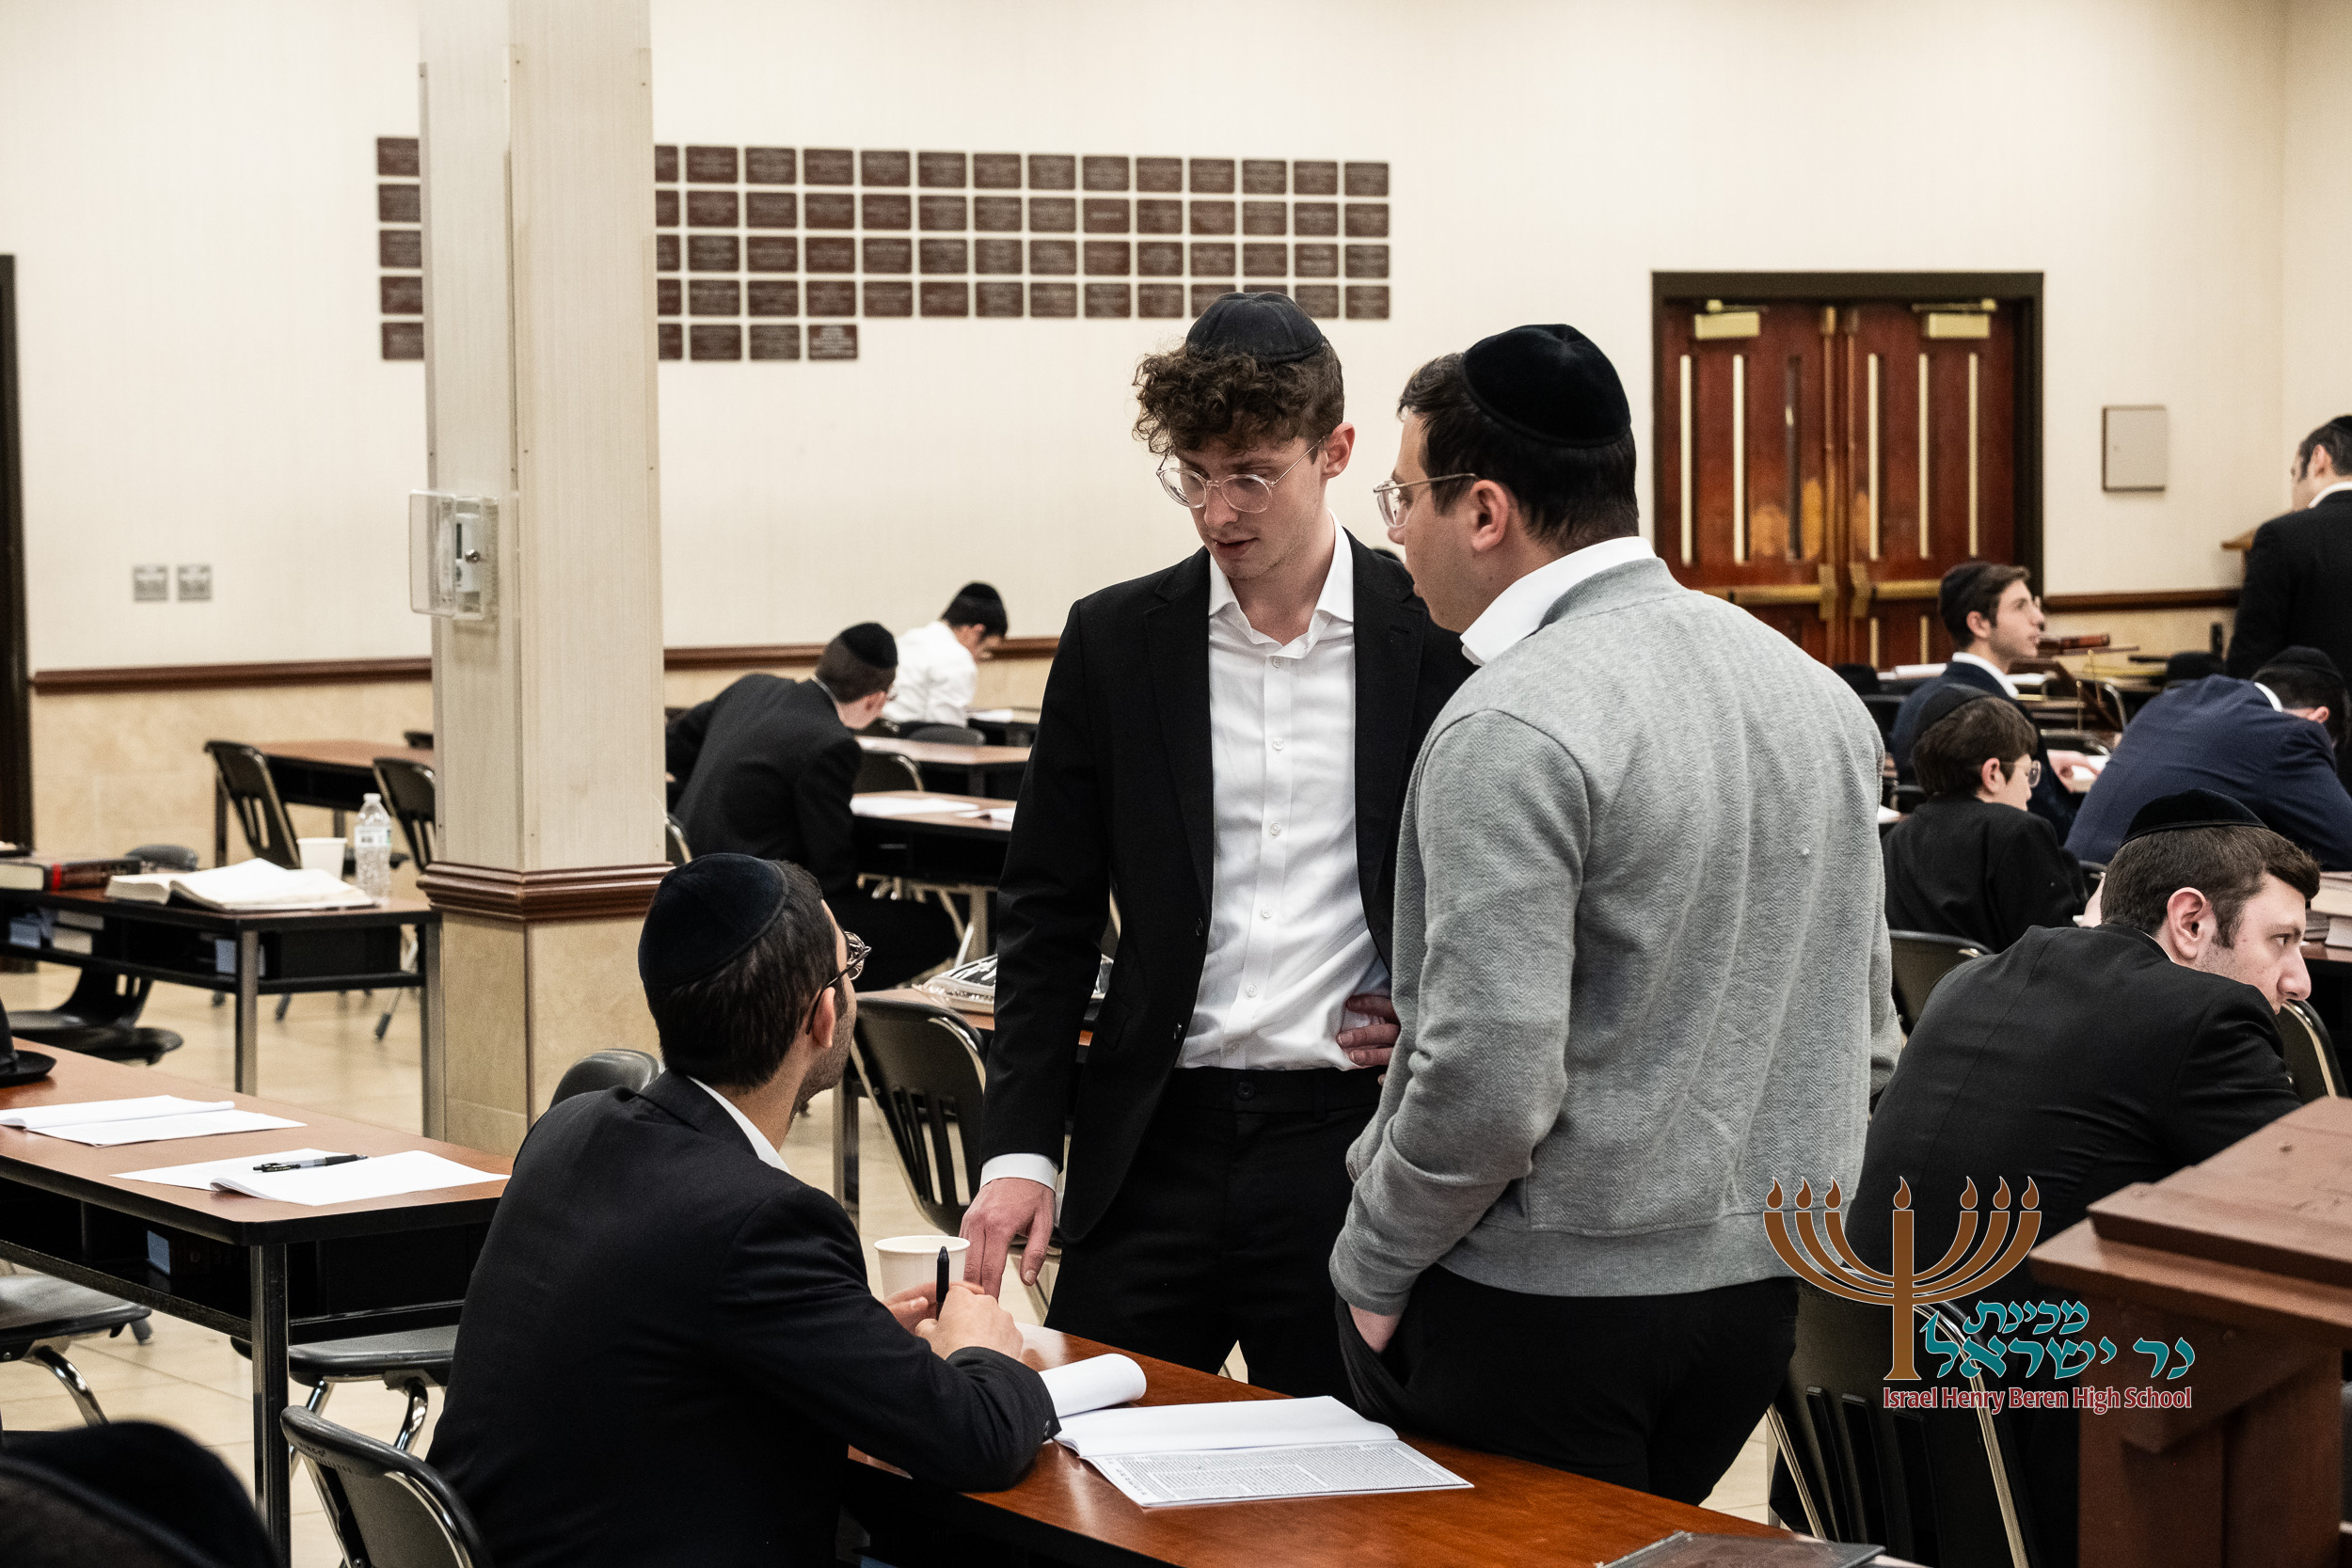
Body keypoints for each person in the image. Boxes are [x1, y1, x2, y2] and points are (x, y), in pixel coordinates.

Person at [1326, 325, 1899, 1503]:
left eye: (1402, 497)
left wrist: (1373, 1261)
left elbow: (1489, 1081)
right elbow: (1868, 1031)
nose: (1395, 532)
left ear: (1485, 511)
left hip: (1538, 1302)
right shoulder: (1816, 694)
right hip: (1754, 1295)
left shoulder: (1514, 719)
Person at [959, 292, 1471, 1398]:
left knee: (1354, 1478)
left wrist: (1435, 1008)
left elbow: (1498, 884)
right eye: (1191, 474)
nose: (1215, 510)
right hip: (1154, 1134)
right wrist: (1020, 1148)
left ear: (1335, 451)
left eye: (1251, 475)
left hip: (1348, 1143)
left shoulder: (1434, 637)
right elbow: (1046, 911)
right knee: (1085, 1459)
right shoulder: (1114, 639)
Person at [430, 855, 1056, 1568]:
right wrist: (981, 1348)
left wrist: (843, 1337)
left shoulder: (568, 1128)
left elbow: (675, 1344)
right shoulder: (764, 1220)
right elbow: (976, 1440)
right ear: (823, 1016)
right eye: (849, 963)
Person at [1849, 791, 2311, 1567]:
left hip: (1874, 1456)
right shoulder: (2200, 1017)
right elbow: (2315, 1221)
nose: (2298, 979)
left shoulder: (1971, 981)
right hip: (2042, 1477)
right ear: (2191, 921)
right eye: (2283, 940)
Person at [667, 624, 956, 989]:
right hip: (762, 914)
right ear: (876, 699)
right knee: (934, 928)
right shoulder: (831, 742)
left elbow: (673, 747)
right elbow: (831, 868)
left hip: (689, 891)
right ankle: (824, 1012)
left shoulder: (750, 687)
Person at [2065, 647, 2352, 868]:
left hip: (2076, 891)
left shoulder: (2164, 704)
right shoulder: (2292, 734)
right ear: (2318, 719)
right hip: (2143, 912)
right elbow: (2345, 846)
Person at [1882, 686, 2084, 948]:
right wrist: (2094, 923)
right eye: (2026, 774)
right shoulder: (2018, 832)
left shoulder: (1894, 841)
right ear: (1993, 773)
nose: (2029, 792)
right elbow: (2055, 955)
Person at [1888, 562, 2081, 833]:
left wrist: (2041, 767)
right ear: (1979, 624)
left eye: (2034, 604)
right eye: (2020, 607)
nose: (2038, 618)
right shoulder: (2000, 712)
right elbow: (2050, 824)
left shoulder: (1915, 700)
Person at [2226, 418, 2352, 731]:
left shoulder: (2284, 536)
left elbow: (2251, 660)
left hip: (2317, 737)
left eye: (2294, 475)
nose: (2294, 490)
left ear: (2319, 459)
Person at [884, 582, 1009, 730]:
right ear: (977, 632)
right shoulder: (958, 658)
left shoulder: (903, 641)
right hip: (913, 742)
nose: (979, 660)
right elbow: (948, 730)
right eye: (984, 650)